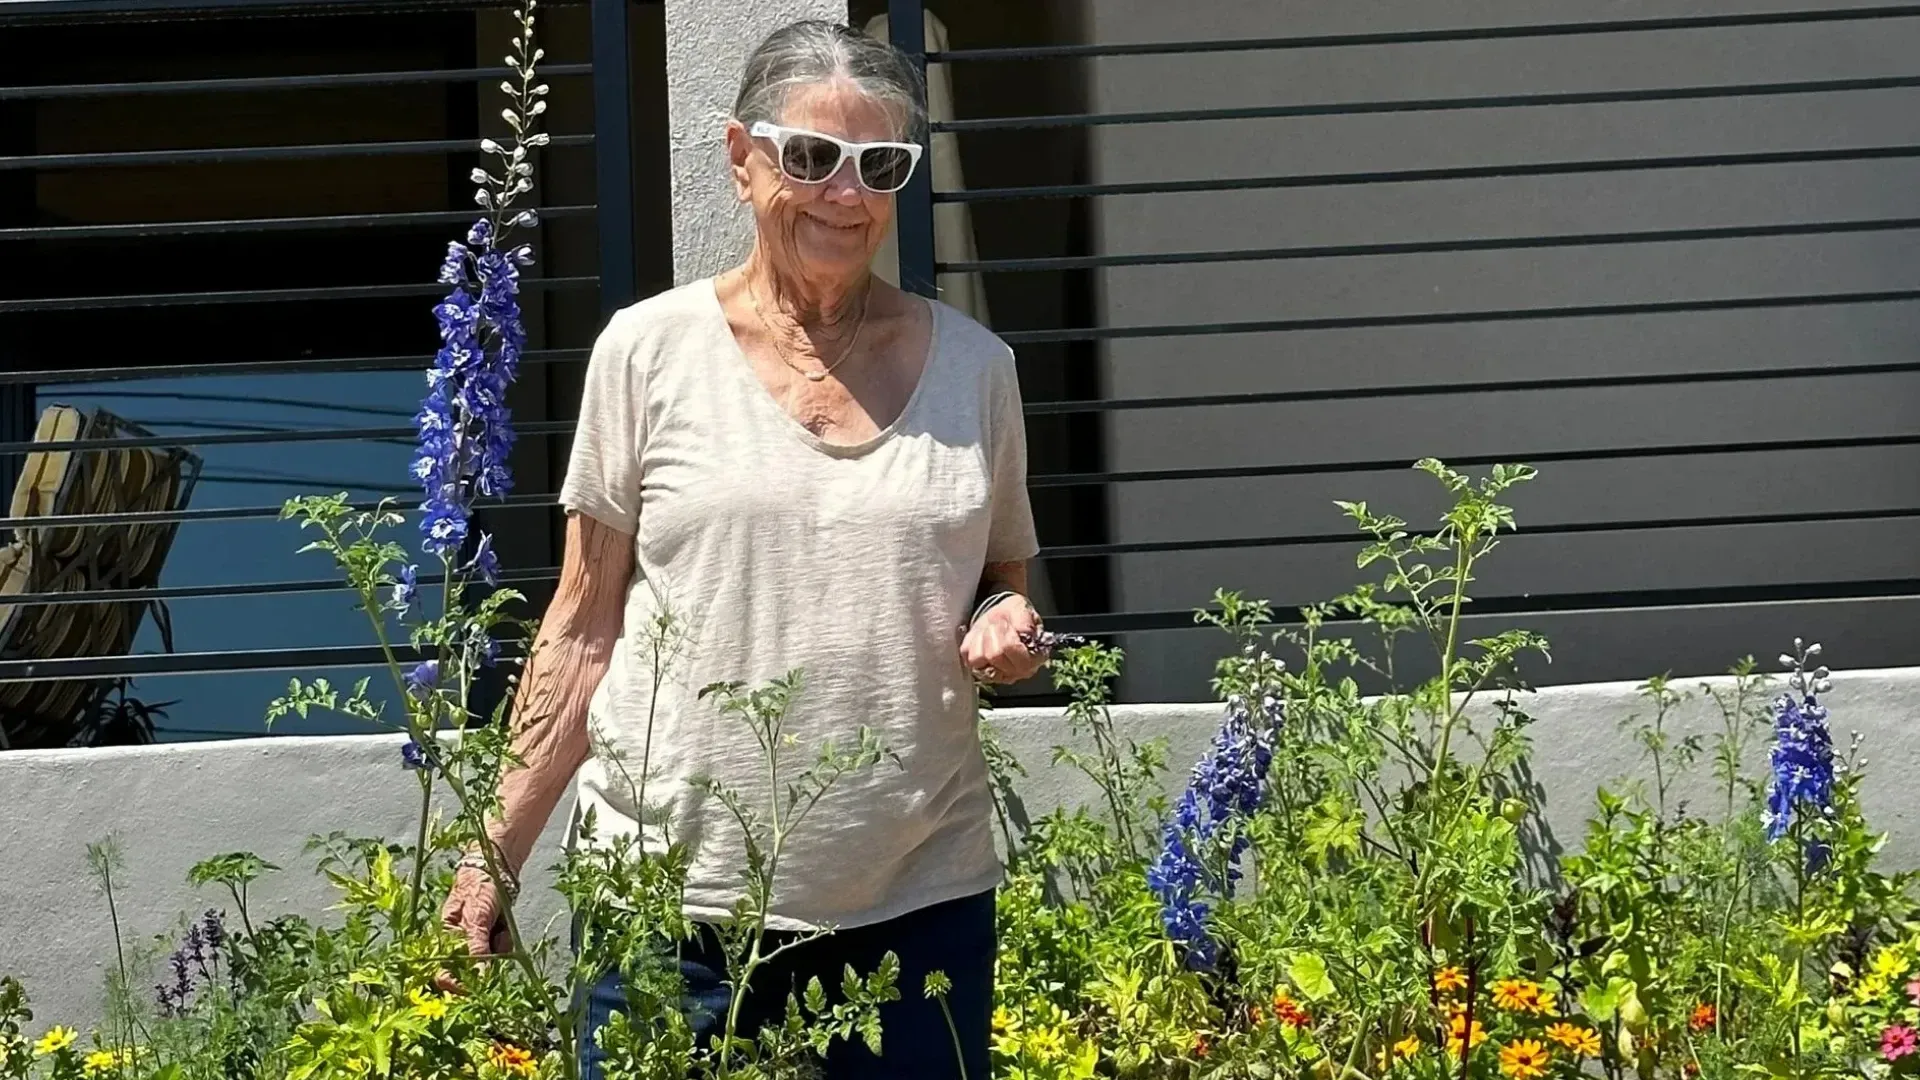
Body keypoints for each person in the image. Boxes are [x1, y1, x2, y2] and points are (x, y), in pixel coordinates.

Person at [438, 19, 1045, 1079]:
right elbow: (582, 625)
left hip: (916, 908)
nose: (844, 194)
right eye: (810, 156)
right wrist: (494, 854)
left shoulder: (978, 371)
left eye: (879, 167)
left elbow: (999, 580)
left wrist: (1005, 621)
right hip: (671, 913)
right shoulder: (648, 352)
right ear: (740, 157)